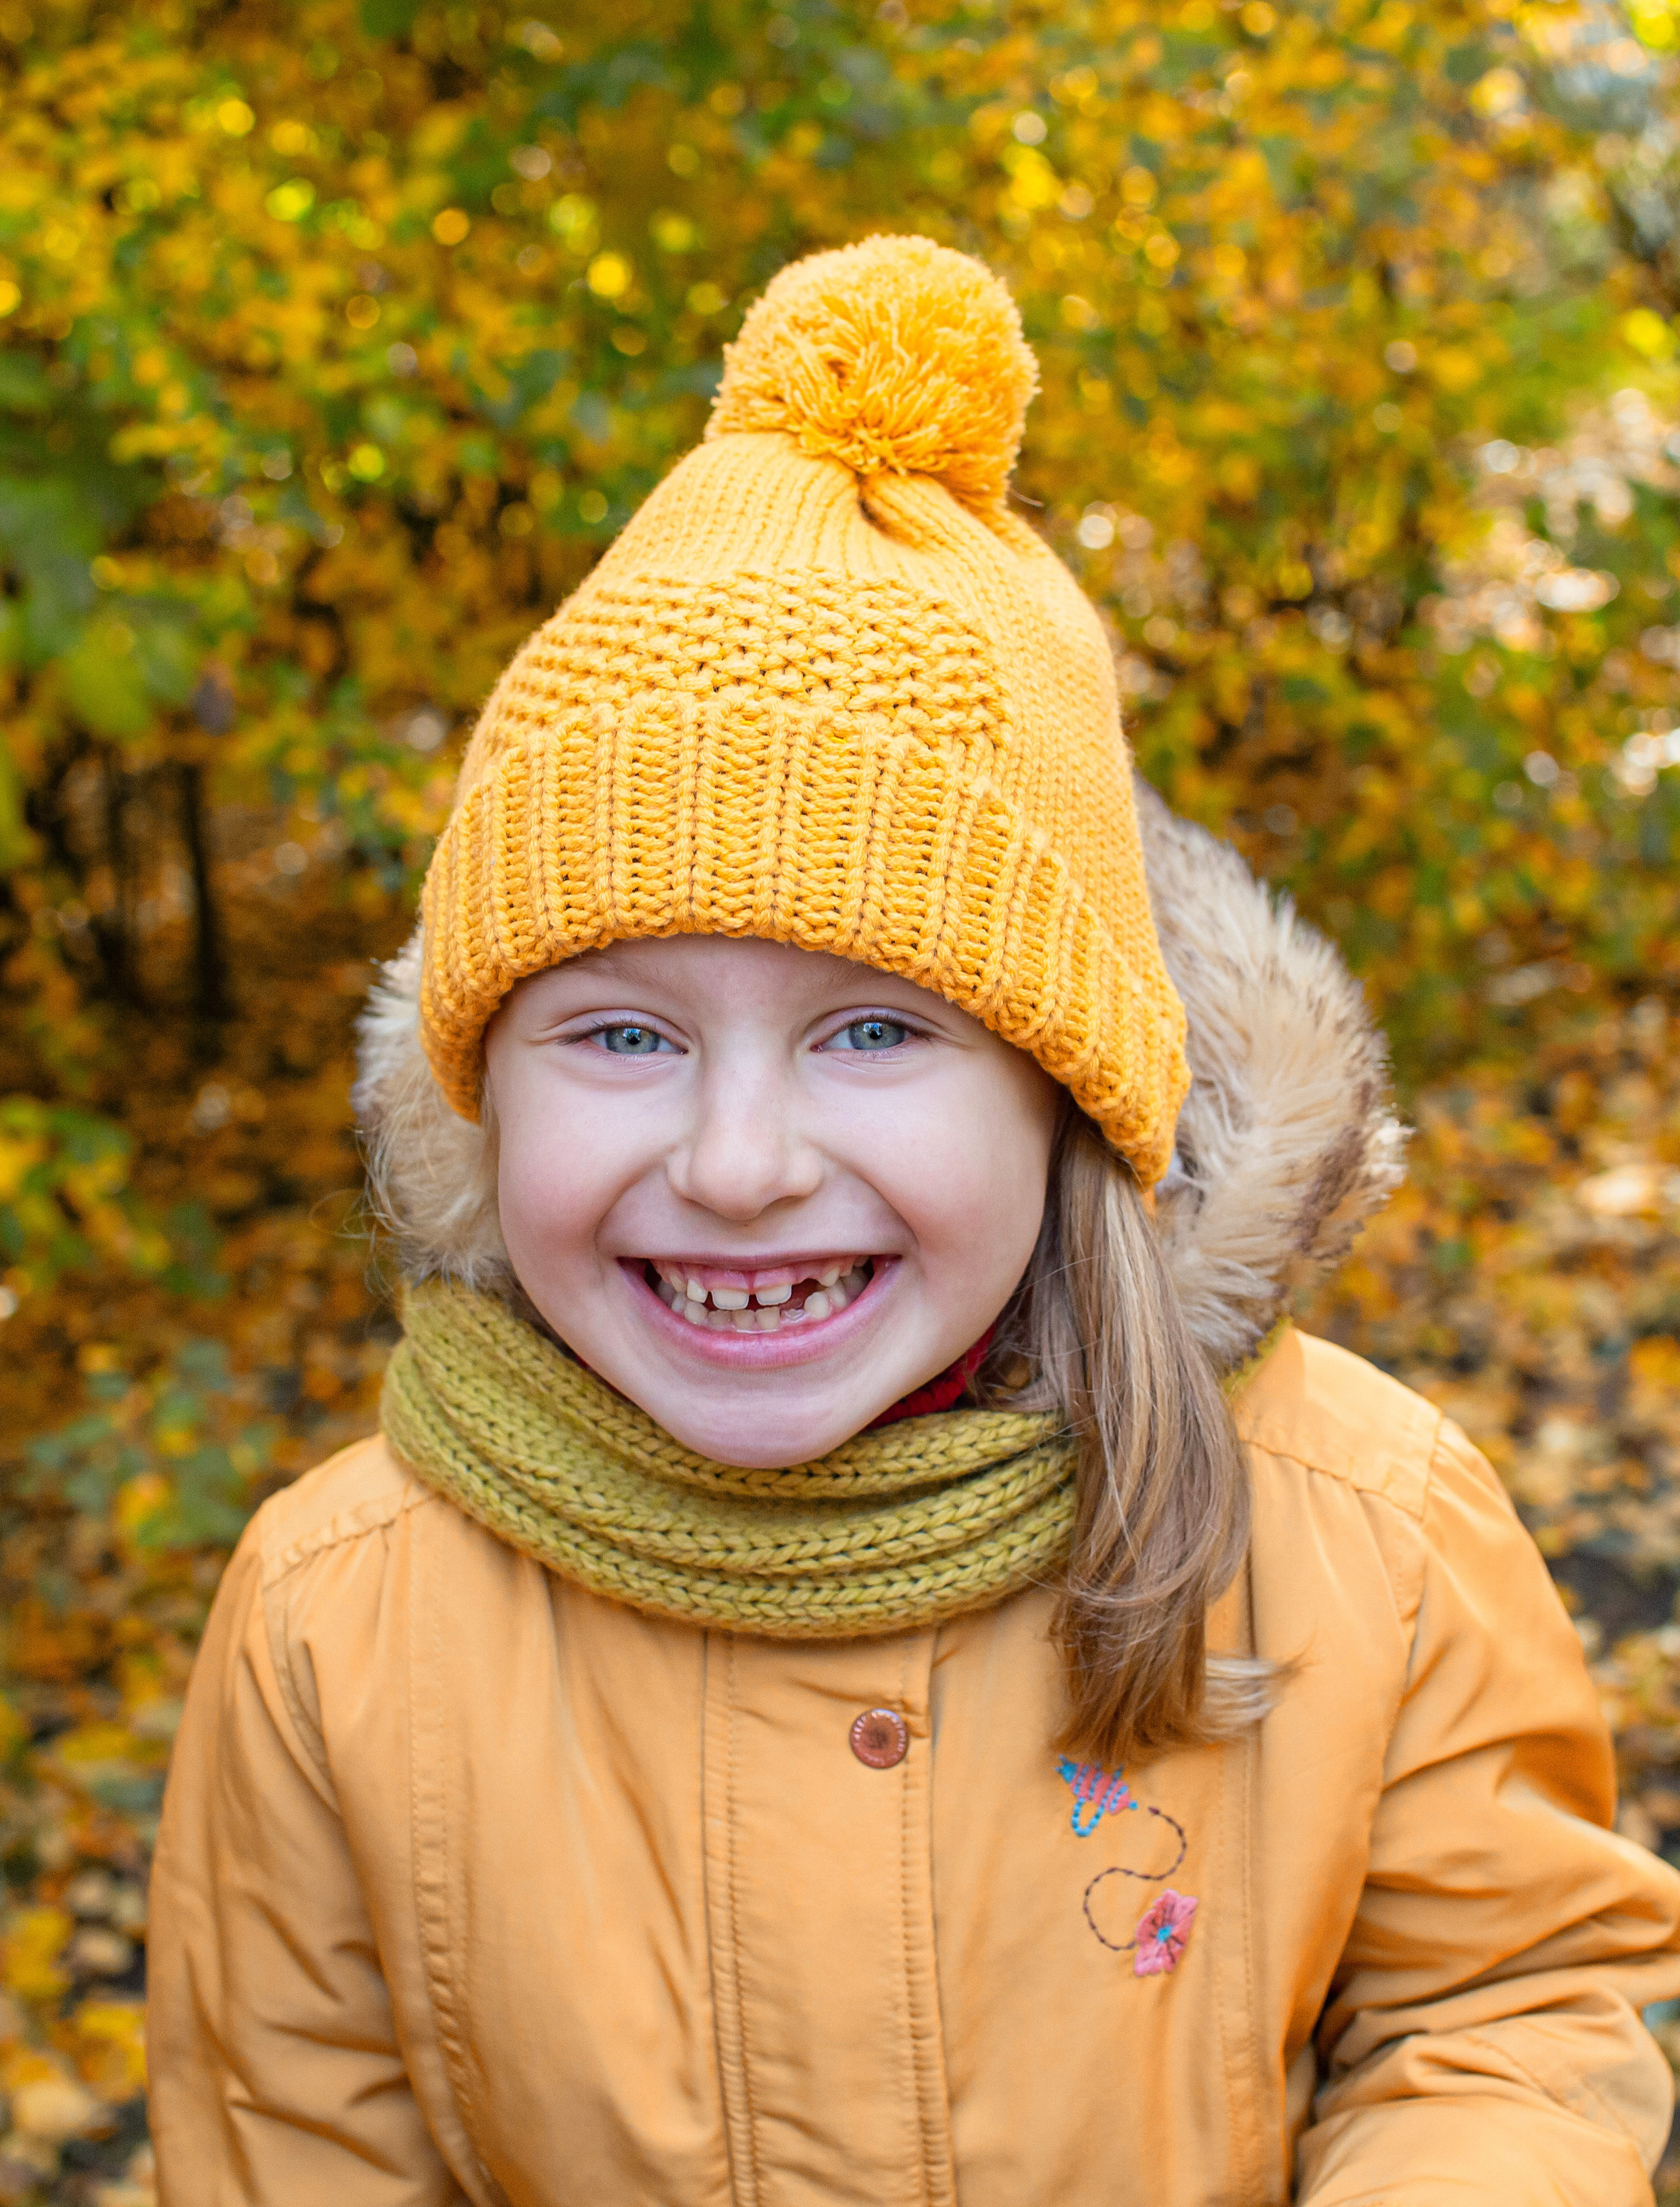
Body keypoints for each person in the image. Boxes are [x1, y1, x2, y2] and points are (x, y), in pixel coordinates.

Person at [146, 235, 1680, 2206]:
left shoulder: (1360, 1531)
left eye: (877, 1029)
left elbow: (1505, 2008)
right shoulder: (333, 1618)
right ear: (482, 1083)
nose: (739, 1161)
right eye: (620, 1032)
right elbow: (295, 2149)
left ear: (1064, 1089)